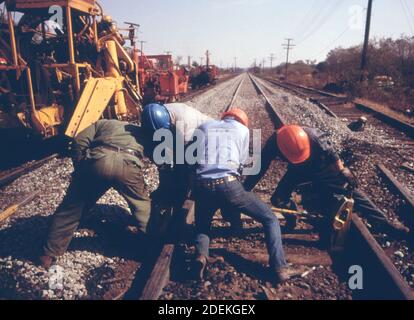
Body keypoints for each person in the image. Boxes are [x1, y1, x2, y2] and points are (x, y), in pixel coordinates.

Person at [244, 124, 410, 238]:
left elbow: (332, 154)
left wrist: (343, 171)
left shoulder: (315, 137)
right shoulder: (273, 143)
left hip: (319, 164)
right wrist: (245, 190)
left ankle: (384, 223)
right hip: (297, 169)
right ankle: (292, 218)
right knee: (278, 199)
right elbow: (260, 167)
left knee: (349, 191)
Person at [192, 108, 295, 284]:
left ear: (224, 117)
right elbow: (240, 165)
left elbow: (193, 157)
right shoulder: (243, 131)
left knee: (203, 226)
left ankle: (201, 256)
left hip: (201, 183)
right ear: (243, 122)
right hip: (228, 183)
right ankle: (280, 268)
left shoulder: (204, 126)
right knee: (270, 219)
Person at [39, 119, 156, 269]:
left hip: (98, 160)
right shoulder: (140, 131)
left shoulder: (102, 123)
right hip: (129, 164)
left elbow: (78, 141)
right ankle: (152, 248)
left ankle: (49, 254)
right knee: (142, 207)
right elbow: (153, 153)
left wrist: (80, 164)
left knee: (71, 208)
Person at [141, 103, 212, 210]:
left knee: (185, 165)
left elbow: (185, 156)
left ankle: (186, 191)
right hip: (181, 132)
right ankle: (168, 188)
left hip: (207, 136)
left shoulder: (185, 124)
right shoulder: (157, 111)